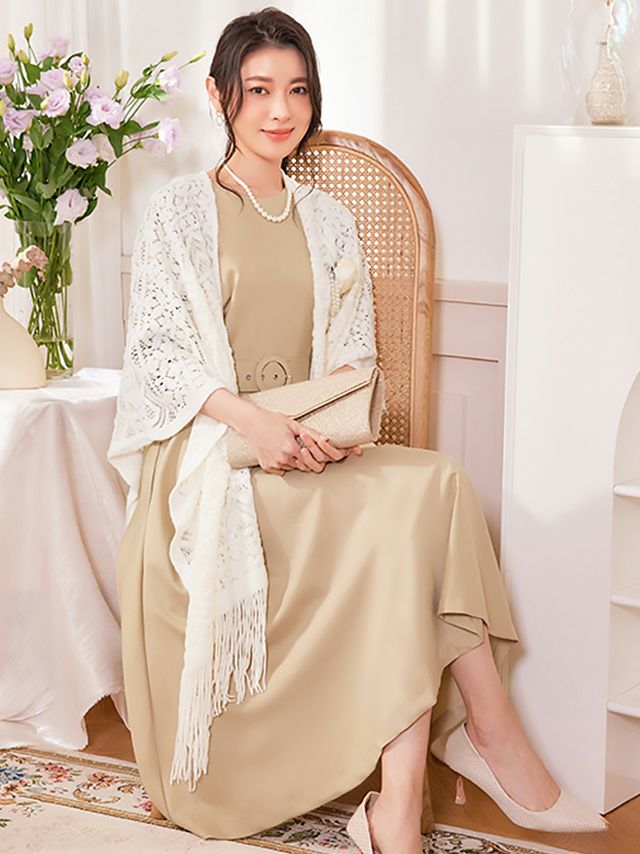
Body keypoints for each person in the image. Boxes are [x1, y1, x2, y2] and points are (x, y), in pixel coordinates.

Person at [107, 7, 608, 852]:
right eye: (258, 90)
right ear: (219, 95)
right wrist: (257, 424)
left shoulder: (327, 218)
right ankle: (485, 748)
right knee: (404, 516)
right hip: (213, 456)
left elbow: (354, 357)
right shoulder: (178, 212)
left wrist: (328, 430)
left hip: (308, 448)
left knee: (437, 484)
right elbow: (160, 359)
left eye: (297, 90)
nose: (280, 110)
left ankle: (408, 797)